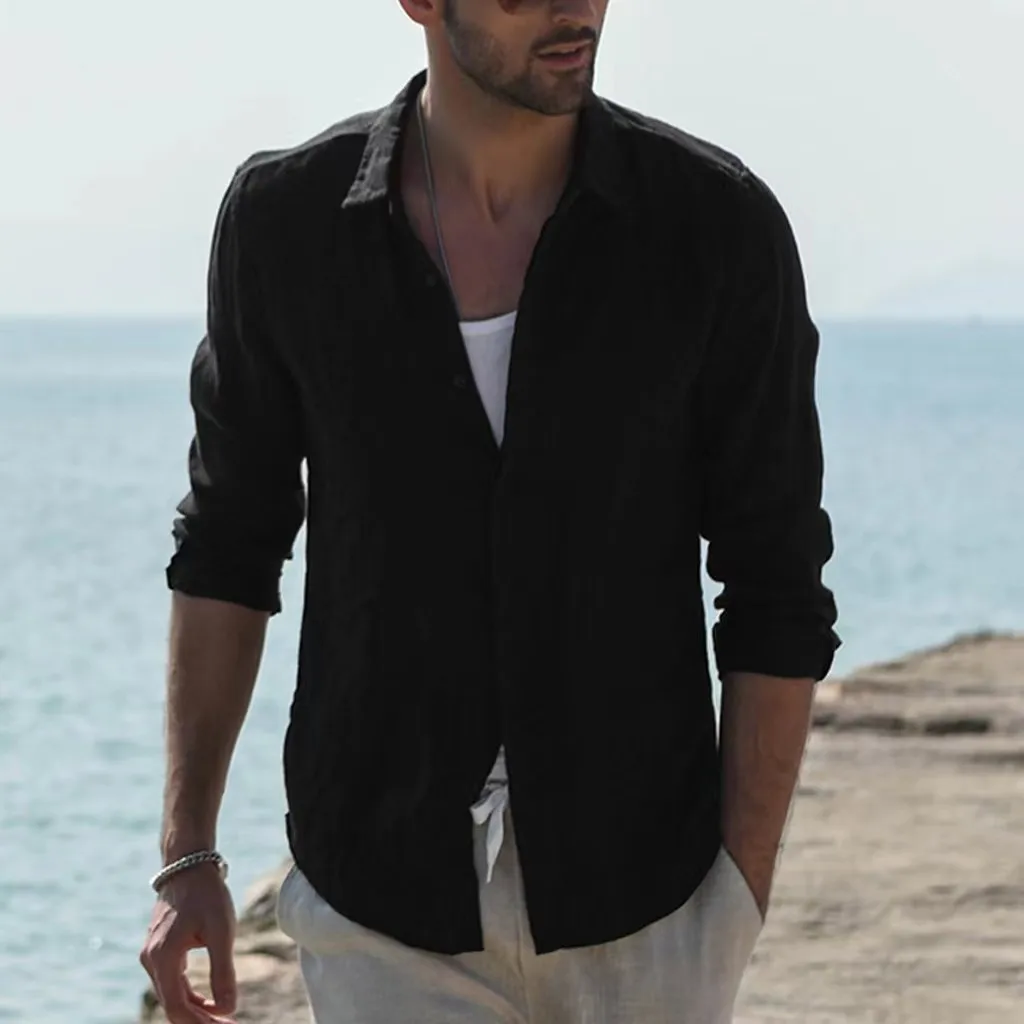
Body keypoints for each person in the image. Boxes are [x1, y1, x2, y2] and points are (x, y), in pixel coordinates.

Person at [139, 1, 840, 1021]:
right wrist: (187, 852)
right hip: (382, 906)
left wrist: (737, 892)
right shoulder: (285, 225)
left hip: (648, 905)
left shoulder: (713, 226)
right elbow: (226, 548)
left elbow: (776, 578)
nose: (575, 7)